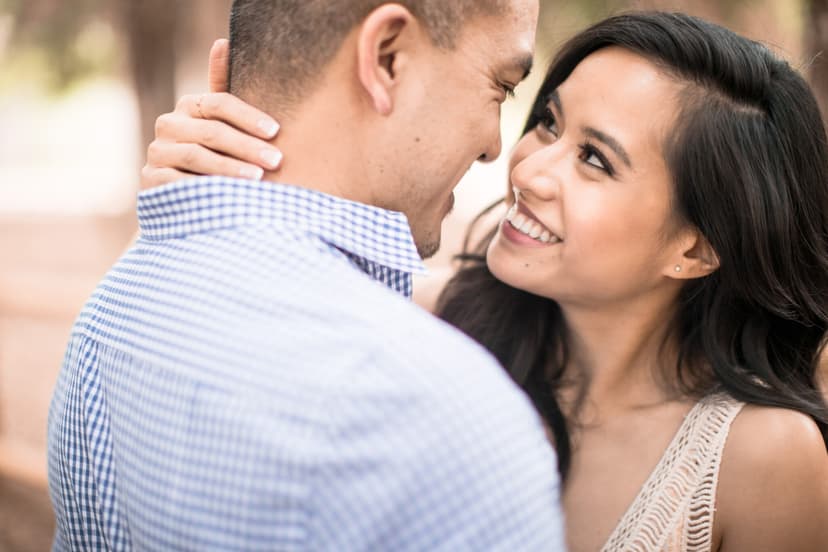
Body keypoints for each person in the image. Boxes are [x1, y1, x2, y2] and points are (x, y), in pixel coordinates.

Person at [146, 11, 828, 551]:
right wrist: (202, 184)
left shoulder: (764, 458)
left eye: (594, 159)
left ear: (696, 248)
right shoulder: (419, 319)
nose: (526, 168)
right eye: (549, 122)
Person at [47, 1, 569, 550]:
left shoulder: (110, 311)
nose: (495, 147)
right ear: (387, 58)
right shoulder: (457, 427)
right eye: (501, 88)